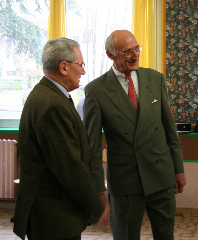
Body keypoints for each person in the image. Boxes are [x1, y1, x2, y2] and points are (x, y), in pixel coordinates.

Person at [83, 30, 186, 240]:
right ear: (110, 55)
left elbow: (169, 129)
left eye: (137, 48)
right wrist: (97, 191)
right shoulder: (96, 90)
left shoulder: (155, 79)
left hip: (161, 176)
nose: (135, 55)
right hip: (125, 182)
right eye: (127, 51)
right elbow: (92, 147)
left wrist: (178, 169)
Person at [13, 37, 105, 240]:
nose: (83, 71)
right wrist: (97, 205)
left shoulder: (46, 94)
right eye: (80, 65)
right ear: (64, 67)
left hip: (50, 214)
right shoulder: (52, 104)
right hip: (54, 217)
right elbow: (69, 167)